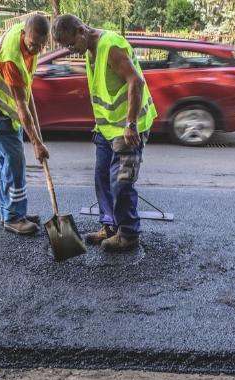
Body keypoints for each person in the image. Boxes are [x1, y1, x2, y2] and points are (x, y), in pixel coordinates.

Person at [51, 14, 157, 252]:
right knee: (101, 177)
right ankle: (110, 226)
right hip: (107, 128)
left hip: (128, 127)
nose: (70, 50)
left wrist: (130, 123)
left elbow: (136, 82)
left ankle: (128, 233)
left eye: (70, 44)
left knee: (121, 181)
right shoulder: (90, 50)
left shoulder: (110, 46)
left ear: (81, 30)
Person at [0, 14, 51, 235]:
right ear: (24, 34)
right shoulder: (12, 57)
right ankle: (13, 217)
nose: (36, 49)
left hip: (7, 105)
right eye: (32, 45)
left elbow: (28, 95)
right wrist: (36, 144)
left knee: (7, 159)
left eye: (41, 45)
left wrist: (38, 136)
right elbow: (21, 105)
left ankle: (11, 210)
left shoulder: (30, 39)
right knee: (15, 159)